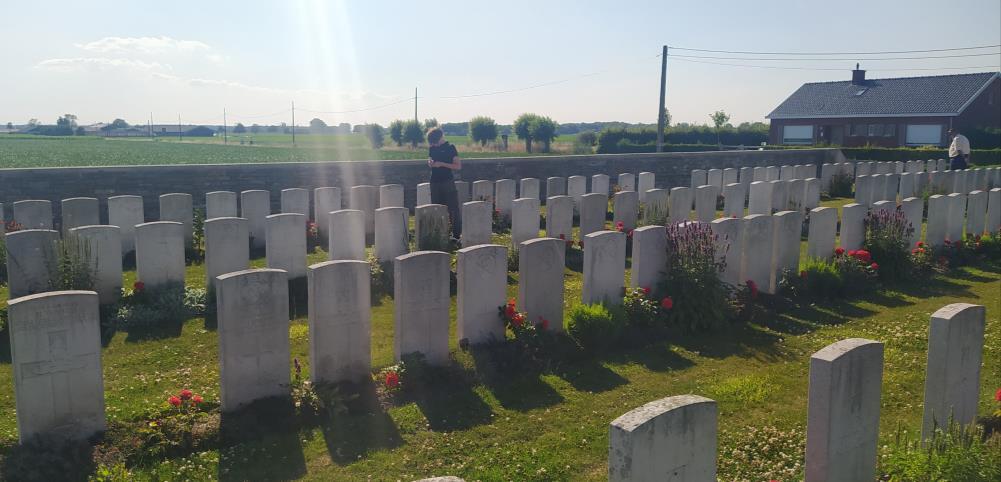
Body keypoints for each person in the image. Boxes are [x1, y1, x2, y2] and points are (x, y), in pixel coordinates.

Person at [426, 127, 462, 239]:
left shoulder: (450, 148)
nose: (434, 145)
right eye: (432, 143)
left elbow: (458, 166)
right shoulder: (432, 148)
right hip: (434, 182)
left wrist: (441, 164)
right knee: (436, 208)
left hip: (447, 181)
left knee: (453, 208)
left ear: (441, 137)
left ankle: (456, 235)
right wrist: (430, 162)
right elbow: (430, 159)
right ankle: (439, 234)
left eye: (435, 142)